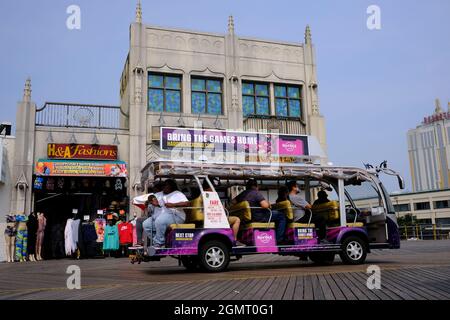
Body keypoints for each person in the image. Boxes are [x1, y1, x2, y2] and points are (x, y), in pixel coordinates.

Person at [232, 179, 287, 244]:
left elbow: (233, 201)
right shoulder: (256, 193)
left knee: (276, 214)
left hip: (247, 218)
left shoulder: (242, 194)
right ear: (256, 186)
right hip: (259, 216)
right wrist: (268, 204)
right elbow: (265, 205)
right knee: (281, 216)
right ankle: (279, 239)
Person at [143, 179, 190, 248]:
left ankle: (159, 243)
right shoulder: (160, 194)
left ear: (171, 186)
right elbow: (152, 199)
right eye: (163, 185)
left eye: (165, 185)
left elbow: (187, 203)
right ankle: (159, 241)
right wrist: (150, 202)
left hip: (177, 216)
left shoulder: (177, 193)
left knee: (160, 221)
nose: (163, 187)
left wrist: (173, 205)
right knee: (146, 224)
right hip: (164, 216)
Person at [201, 179, 245, 247]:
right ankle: (234, 240)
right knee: (237, 219)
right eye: (213, 186)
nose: (214, 188)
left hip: (209, 217)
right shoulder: (211, 195)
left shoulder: (202, 194)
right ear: (210, 186)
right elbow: (220, 208)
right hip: (215, 219)